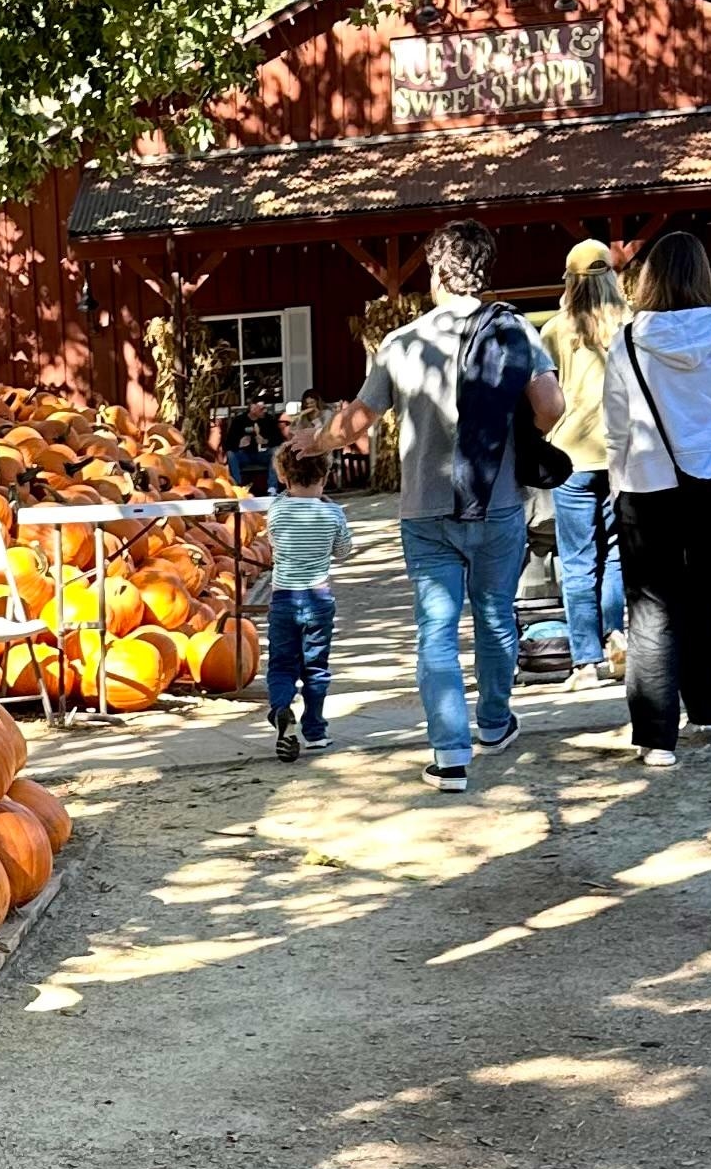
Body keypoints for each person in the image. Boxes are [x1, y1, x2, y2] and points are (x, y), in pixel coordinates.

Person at [356, 219, 562, 779]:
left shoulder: (402, 343)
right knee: (495, 616)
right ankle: (493, 722)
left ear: (437, 272)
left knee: (437, 630)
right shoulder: (514, 330)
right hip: (497, 500)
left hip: (424, 509)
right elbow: (551, 406)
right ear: (483, 270)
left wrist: (313, 440)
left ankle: (449, 754)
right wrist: (519, 431)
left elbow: (359, 418)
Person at [603, 228, 711, 768]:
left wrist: (618, 482)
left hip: (645, 483)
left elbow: (616, 425)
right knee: (708, 596)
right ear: (701, 275)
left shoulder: (626, 340)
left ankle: (655, 735)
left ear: (649, 278)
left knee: (652, 608)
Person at [540, 238, 628, 681]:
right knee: (615, 554)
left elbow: (545, 395)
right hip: (622, 455)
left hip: (570, 456)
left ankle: (585, 660)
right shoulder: (631, 326)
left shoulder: (555, 330)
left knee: (577, 562)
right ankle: (616, 636)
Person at [260, 439, 352, 761]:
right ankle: (315, 730)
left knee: (282, 664)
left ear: (283, 477)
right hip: (318, 599)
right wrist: (330, 509)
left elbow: (274, 544)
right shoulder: (332, 513)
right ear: (325, 475)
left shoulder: (276, 511)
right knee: (316, 666)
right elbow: (343, 551)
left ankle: (281, 709)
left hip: (283, 599)